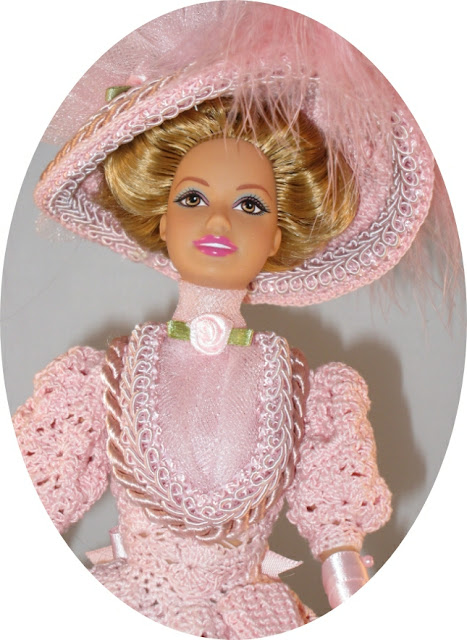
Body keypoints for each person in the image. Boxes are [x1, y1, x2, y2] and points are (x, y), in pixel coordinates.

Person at [11, 2, 451, 637]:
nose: (218, 220)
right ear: (161, 218)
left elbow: (338, 540)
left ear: (278, 234)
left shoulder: (310, 397)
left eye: (250, 205)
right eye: (193, 198)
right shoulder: (102, 381)